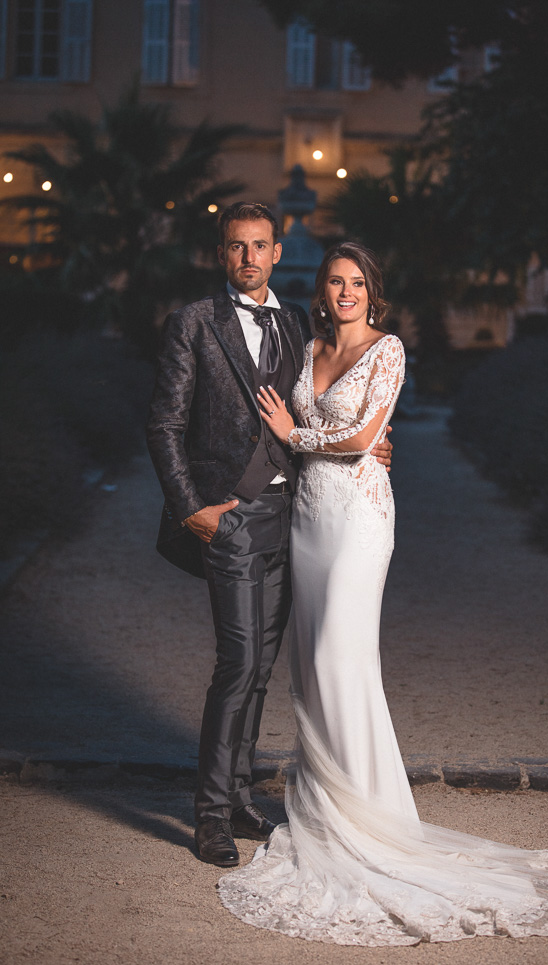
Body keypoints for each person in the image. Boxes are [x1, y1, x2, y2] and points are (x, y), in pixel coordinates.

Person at [215, 241, 548, 946]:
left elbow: (363, 436)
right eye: (336, 282)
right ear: (322, 291)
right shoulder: (306, 350)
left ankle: (371, 822)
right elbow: (303, 433)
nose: (346, 292)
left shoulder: (388, 349)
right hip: (308, 518)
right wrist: (293, 439)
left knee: (342, 659)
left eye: (357, 282)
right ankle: (326, 814)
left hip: (359, 517)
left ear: (373, 291)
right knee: (310, 668)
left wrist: (298, 432)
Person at [146, 204, 394, 869]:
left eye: (260, 246)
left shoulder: (296, 326)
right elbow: (163, 425)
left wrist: (373, 447)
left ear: (277, 253)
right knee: (237, 662)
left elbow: (330, 405)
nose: (249, 257)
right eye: (237, 246)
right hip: (227, 515)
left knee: (260, 667)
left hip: (293, 515)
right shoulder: (194, 322)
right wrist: (191, 509)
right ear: (221, 254)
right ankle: (208, 815)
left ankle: (236, 795)